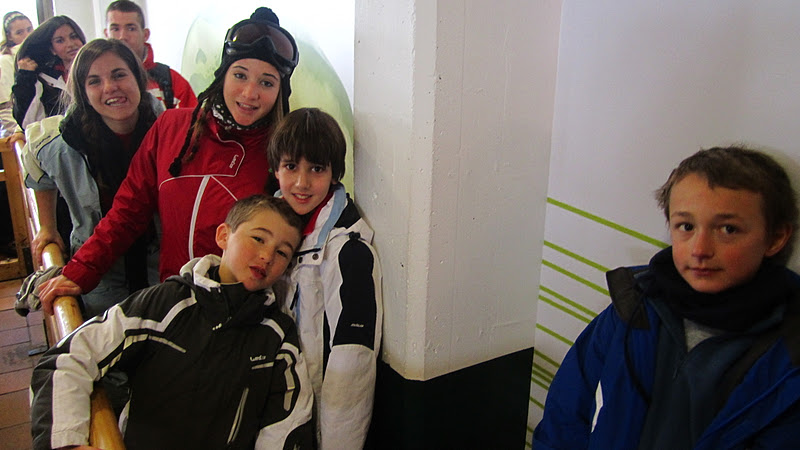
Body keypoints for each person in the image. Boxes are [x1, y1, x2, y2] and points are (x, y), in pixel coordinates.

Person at [37, 7, 299, 316]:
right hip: (172, 304)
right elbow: (127, 212)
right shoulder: (172, 128)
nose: (250, 92)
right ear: (223, 76)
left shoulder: (282, 156)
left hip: (238, 315)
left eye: (267, 83)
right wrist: (79, 271)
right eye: (240, 75)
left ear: (280, 91)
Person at [533, 146, 800, 449]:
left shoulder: (790, 354)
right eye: (686, 226)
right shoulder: (632, 310)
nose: (700, 249)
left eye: (728, 229)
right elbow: (566, 416)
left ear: (775, 238)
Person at [30, 194, 315, 450]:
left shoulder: (278, 336)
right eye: (258, 239)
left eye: (282, 252)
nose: (267, 256)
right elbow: (66, 358)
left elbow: (287, 425)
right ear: (223, 236)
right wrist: (68, 442)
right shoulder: (165, 304)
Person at [268, 107, 383, 449]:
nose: (302, 183)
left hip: (315, 427)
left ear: (335, 174)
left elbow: (352, 367)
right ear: (275, 169)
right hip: (274, 415)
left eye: (316, 169)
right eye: (291, 166)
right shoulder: (264, 231)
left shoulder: (350, 251)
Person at [23, 39, 160, 317]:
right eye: (94, 81)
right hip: (100, 281)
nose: (110, 87)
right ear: (83, 93)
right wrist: (47, 226)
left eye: (119, 75)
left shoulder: (168, 132)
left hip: (159, 270)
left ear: (138, 78)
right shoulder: (64, 142)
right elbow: (35, 164)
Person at [104, 0, 197, 110]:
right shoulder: (97, 83)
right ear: (106, 34)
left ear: (145, 35)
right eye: (115, 29)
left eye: (131, 28)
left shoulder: (172, 82)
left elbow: (194, 119)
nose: (122, 36)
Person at [12, 15, 85, 130]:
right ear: (52, 49)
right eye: (60, 41)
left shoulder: (96, 69)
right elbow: (29, 123)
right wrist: (25, 77)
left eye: (74, 36)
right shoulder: (46, 80)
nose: (70, 44)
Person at [0, 11, 33, 134]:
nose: (27, 35)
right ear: (9, 36)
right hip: (15, 130)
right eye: (19, 32)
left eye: (29, 29)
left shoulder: (39, 55)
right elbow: (5, 104)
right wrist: (17, 133)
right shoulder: (5, 60)